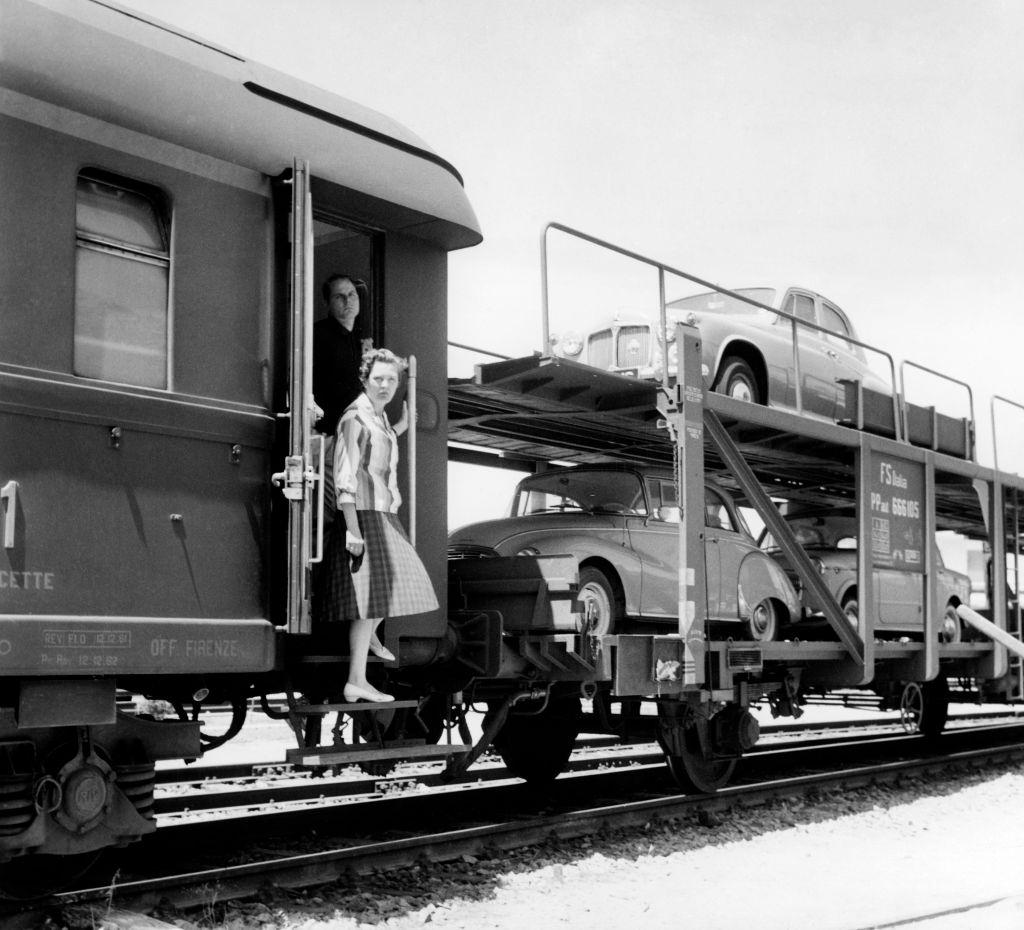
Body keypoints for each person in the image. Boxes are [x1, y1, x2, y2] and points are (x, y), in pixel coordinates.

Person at [324, 348, 435, 703]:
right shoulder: (355, 417)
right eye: (378, 379)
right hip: (366, 513)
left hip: (384, 512)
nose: (385, 385)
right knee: (372, 599)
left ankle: (368, 648)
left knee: (392, 588)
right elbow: (346, 479)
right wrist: (352, 529)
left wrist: (402, 425)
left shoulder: (380, 418)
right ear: (365, 380)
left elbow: (380, 447)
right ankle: (357, 678)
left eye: (392, 380)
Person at [313, 274, 368, 436]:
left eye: (351, 294)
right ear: (327, 303)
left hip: (358, 430)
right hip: (328, 432)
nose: (347, 300)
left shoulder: (363, 339)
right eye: (339, 296)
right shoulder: (317, 334)